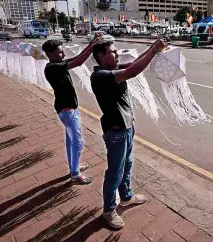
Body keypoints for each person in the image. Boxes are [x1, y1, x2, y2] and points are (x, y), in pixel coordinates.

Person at [91, 39, 168, 229]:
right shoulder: (100, 75)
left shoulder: (113, 70)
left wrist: (153, 49)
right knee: (115, 172)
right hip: (115, 132)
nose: (116, 55)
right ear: (100, 56)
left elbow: (133, 64)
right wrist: (153, 51)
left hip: (126, 127)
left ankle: (125, 197)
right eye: (112, 52)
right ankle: (109, 209)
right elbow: (131, 72)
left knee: (127, 165)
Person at [42, 34, 102, 184]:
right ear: (50, 54)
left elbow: (78, 57)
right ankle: (75, 174)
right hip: (67, 110)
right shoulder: (52, 67)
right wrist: (94, 45)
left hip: (68, 109)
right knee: (77, 142)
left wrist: (92, 43)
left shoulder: (59, 63)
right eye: (59, 52)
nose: (63, 54)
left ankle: (74, 167)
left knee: (70, 141)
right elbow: (79, 62)